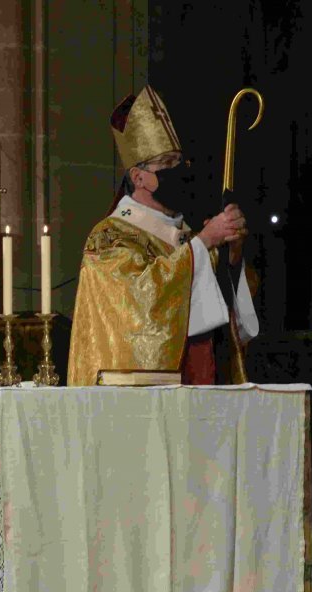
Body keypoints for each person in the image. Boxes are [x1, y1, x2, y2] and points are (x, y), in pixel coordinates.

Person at [66, 85, 259, 386]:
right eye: (167, 164)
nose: (177, 171)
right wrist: (205, 242)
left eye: (179, 162)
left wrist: (231, 256)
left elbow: (221, 318)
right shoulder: (108, 238)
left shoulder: (184, 235)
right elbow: (140, 310)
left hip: (201, 383)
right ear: (138, 176)